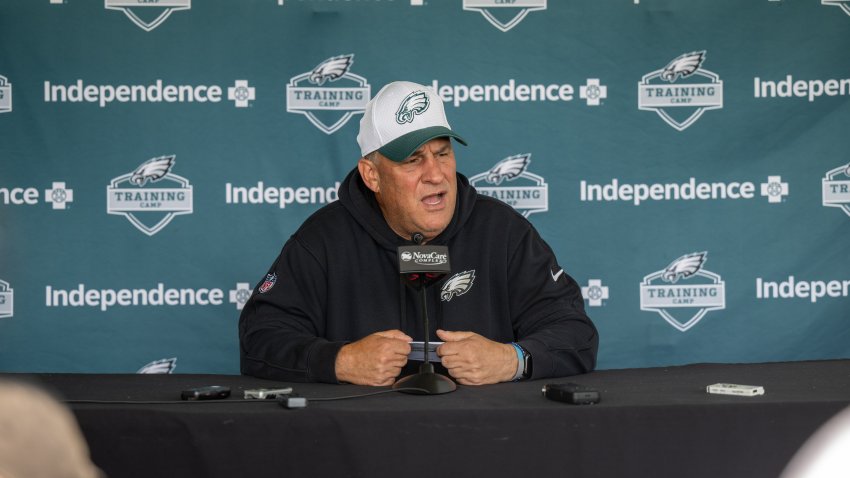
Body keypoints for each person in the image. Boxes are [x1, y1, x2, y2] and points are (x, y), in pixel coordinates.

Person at [239, 80, 598, 386]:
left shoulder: (503, 231)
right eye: (413, 160)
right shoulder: (323, 239)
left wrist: (512, 359)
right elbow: (260, 338)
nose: (435, 174)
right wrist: (340, 360)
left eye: (442, 154)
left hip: (483, 440)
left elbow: (575, 331)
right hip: (363, 442)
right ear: (372, 175)